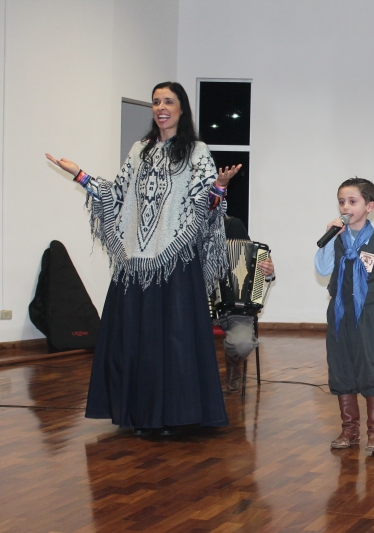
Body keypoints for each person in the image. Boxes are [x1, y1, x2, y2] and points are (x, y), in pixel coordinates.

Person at [46, 81, 241, 436]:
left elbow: (204, 206)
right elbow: (116, 194)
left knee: (174, 342)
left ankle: (175, 416)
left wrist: (219, 187)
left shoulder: (196, 152)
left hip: (175, 260)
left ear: (181, 108)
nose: (161, 107)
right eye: (156, 102)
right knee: (133, 340)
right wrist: (80, 174)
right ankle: (138, 414)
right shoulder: (140, 150)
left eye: (168, 101)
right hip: (135, 262)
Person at [314, 178, 374, 452]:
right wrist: (329, 239)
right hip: (340, 313)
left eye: (352, 201)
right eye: (342, 202)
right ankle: (349, 431)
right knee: (341, 368)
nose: (346, 207)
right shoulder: (336, 238)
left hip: (369, 313)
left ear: (369, 206)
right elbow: (323, 269)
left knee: (371, 368)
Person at [216, 216, 275, 392]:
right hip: (196, 310)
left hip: (235, 312)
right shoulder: (187, 228)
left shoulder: (232, 225)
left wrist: (268, 271)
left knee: (242, 344)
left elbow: (258, 267)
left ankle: (234, 364)